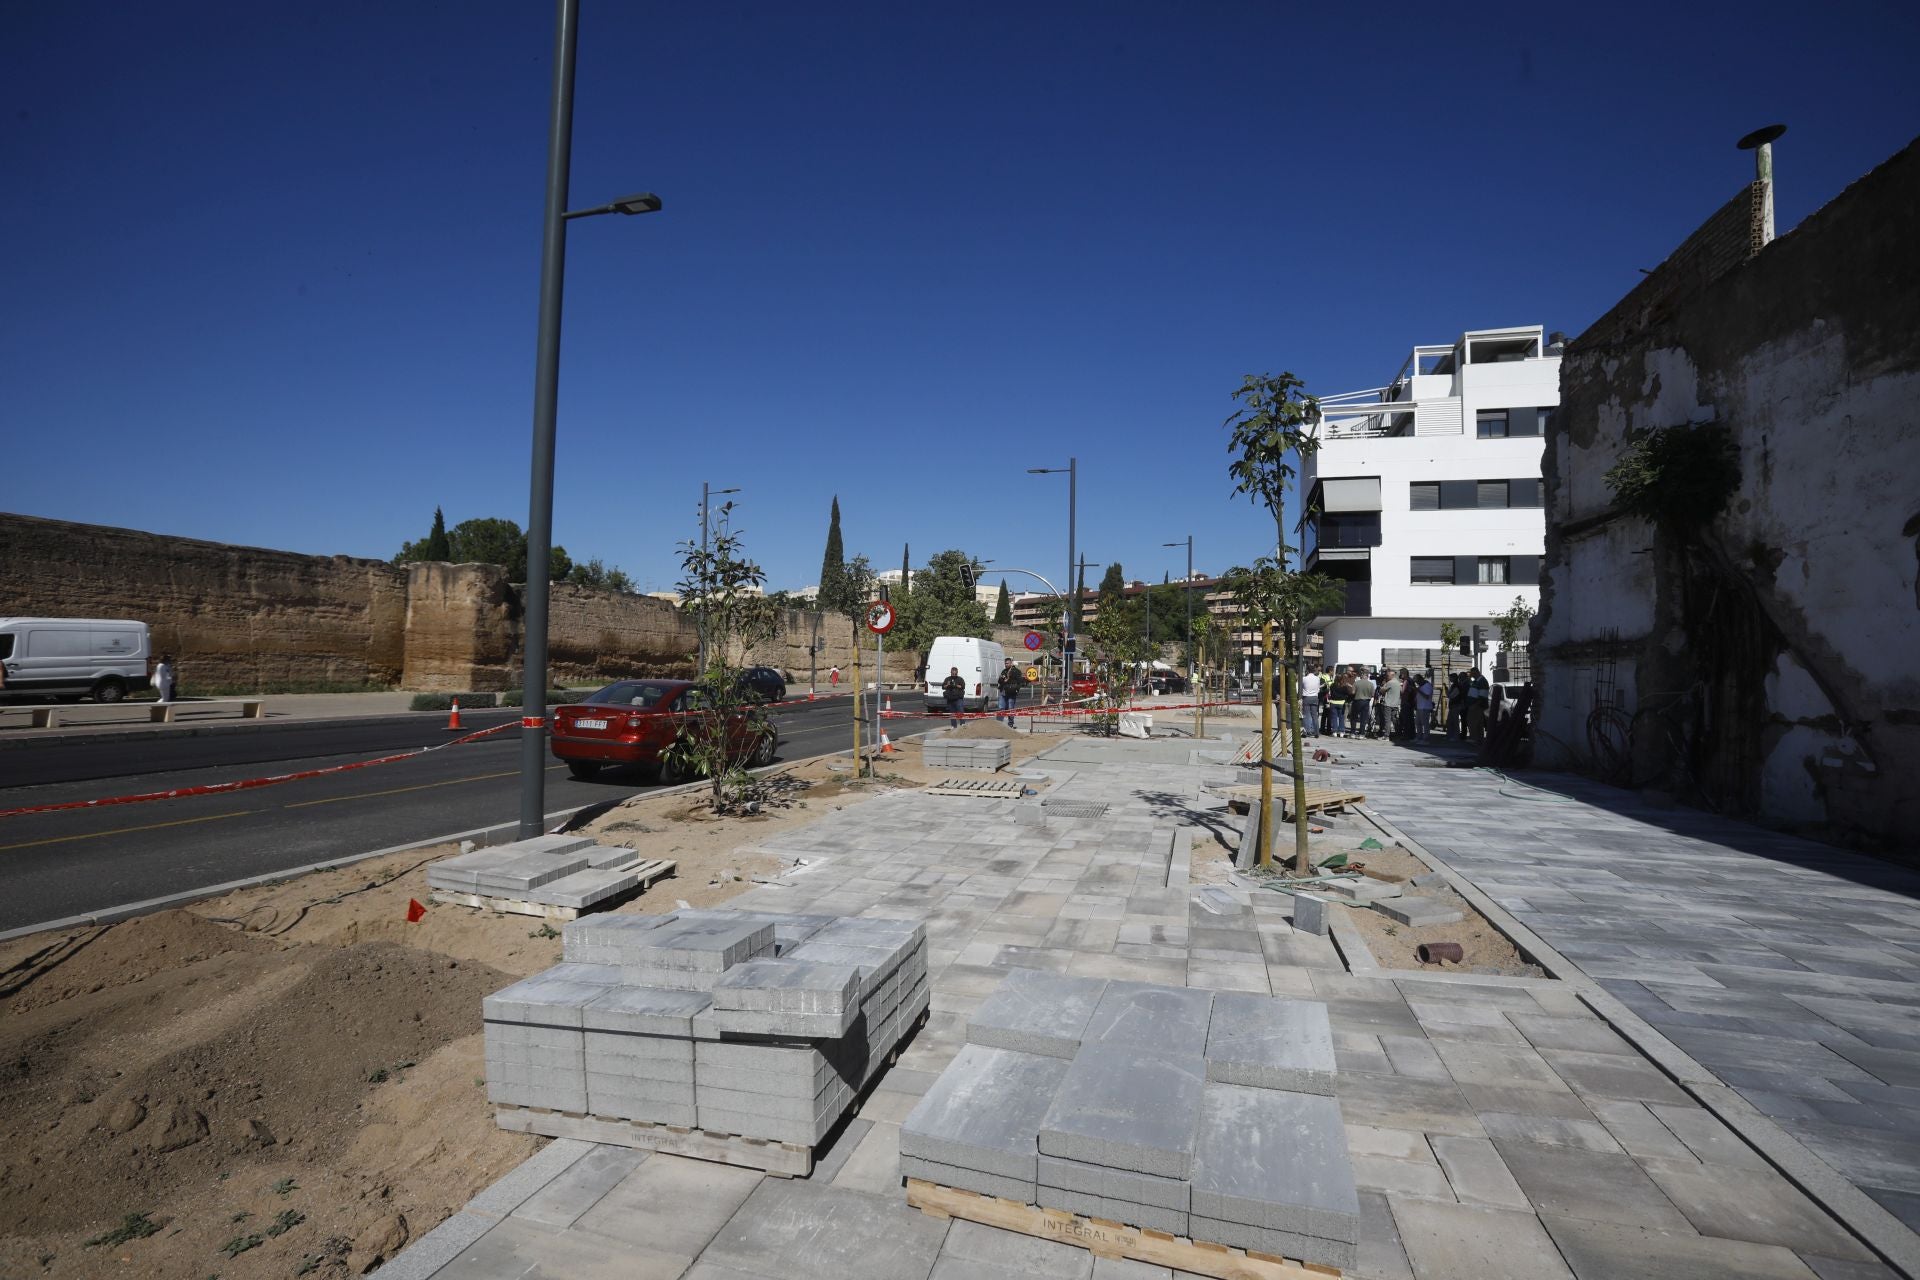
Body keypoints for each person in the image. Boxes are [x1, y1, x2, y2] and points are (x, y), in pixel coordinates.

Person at [996, 657, 1024, 728]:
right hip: (1003, 691)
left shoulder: (1016, 671)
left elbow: (1019, 682)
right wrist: (1002, 679)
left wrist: (1017, 689)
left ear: (1011, 663)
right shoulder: (1004, 671)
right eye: (1005, 663)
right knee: (1001, 707)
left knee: (1010, 708)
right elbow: (999, 681)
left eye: (1007, 663)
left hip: (1012, 692)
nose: (1006, 664)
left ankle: (1010, 723)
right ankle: (998, 723)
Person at [1466, 670, 1491, 742]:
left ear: (1476, 673)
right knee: (1475, 722)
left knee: (1475, 722)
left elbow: (1482, 696)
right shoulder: (1476, 681)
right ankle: (1476, 738)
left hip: (1476, 706)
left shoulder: (1482, 681)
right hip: (1473, 705)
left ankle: (1475, 738)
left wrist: (1475, 705)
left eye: (1471, 673)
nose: (1470, 674)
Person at [1325, 669, 1351, 737]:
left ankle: (1334, 732)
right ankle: (1342, 732)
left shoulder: (1332, 685)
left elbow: (1330, 693)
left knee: (1334, 718)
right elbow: (1348, 694)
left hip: (1333, 702)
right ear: (1342, 679)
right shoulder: (1344, 686)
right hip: (1342, 703)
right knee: (1341, 718)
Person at [1350, 668, 1374, 738]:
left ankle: (1353, 733)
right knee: (1363, 719)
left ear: (1362, 676)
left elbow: (1353, 692)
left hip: (1357, 701)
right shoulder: (1371, 684)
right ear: (1367, 676)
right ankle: (1362, 734)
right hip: (1366, 702)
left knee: (1354, 718)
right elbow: (1372, 694)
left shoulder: (1356, 683)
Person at [1299, 666, 1321, 738]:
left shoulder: (1304, 678)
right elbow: (1318, 688)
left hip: (1306, 697)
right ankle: (1316, 732)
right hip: (1315, 697)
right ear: (1314, 671)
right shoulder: (1317, 678)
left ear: (1307, 671)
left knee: (1306, 715)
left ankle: (1306, 731)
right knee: (1314, 715)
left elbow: (1301, 687)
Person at [1380, 667, 1402, 738]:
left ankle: (1386, 735)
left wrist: (1383, 684)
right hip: (1395, 704)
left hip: (1388, 704)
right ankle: (1398, 734)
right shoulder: (1398, 683)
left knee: (1387, 720)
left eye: (1388, 676)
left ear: (1392, 675)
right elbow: (1401, 692)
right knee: (1395, 720)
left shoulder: (1389, 683)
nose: (1387, 677)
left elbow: (1381, 691)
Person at [1414, 673, 1435, 741]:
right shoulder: (1421, 686)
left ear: (1420, 679)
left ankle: (1426, 738)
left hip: (1425, 707)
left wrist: (1418, 690)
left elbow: (1427, 696)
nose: (1417, 683)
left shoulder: (1427, 685)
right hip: (1419, 707)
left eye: (1417, 681)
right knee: (1418, 723)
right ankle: (1419, 737)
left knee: (1425, 724)